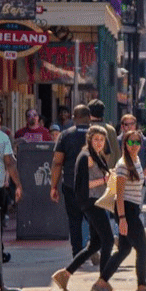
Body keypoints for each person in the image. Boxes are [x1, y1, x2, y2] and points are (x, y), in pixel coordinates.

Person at [52, 124, 118, 291]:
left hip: (96, 201)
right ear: (89, 139)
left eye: (102, 140)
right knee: (108, 240)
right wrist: (105, 180)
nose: (99, 143)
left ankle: (65, 274)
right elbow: (84, 184)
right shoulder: (86, 157)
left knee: (94, 244)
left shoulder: (96, 155)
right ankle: (102, 282)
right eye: (96, 139)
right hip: (91, 202)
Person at [97, 126, 146, 291]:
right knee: (143, 249)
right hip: (127, 210)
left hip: (132, 209)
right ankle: (142, 288)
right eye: (131, 142)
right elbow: (120, 193)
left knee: (124, 249)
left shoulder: (137, 160)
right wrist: (122, 218)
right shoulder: (124, 164)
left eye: (137, 142)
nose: (134, 145)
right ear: (124, 144)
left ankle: (102, 282)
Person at [48, 104, 94, 262]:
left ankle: (77, 254)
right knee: (95, 219)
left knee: (74, 221)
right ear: (90, 118)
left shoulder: (65, 135)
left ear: (74, 118)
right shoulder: (97, 135)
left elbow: (57, 162)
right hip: (93, 186)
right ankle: (93, 246)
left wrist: (54, 186)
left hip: (71, 184)